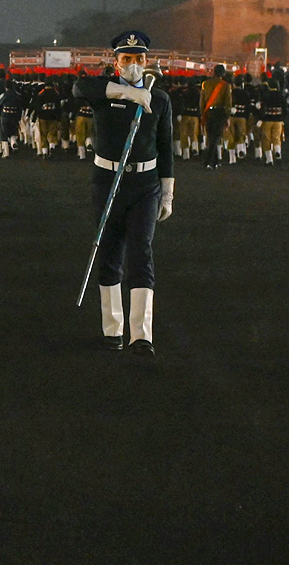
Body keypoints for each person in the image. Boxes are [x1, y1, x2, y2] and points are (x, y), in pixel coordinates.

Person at [74, 30, 174, 356]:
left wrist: (168, 193)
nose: (134, 65)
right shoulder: (104, 93)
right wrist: (128, 95)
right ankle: (112, 329)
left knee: (140, 253)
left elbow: (165, 148)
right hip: (107, 182)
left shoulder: (158, 99)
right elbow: (79, 87)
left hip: (145, 186)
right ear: (115, 62)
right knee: (109, 253)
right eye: (127, 59)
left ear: (148, 61)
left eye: (139, 59)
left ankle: (141, 335)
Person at [199, 64, 233, 169]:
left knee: (210, 137)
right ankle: (210, 161)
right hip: (220, 113)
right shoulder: (226, 85)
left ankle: (213, 161)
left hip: (208, 112)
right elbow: (228, 103)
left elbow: (202, 101)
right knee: (216, 138)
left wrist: (202, 114)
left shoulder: (205, 84)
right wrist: (227, 117)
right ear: (223, 74)